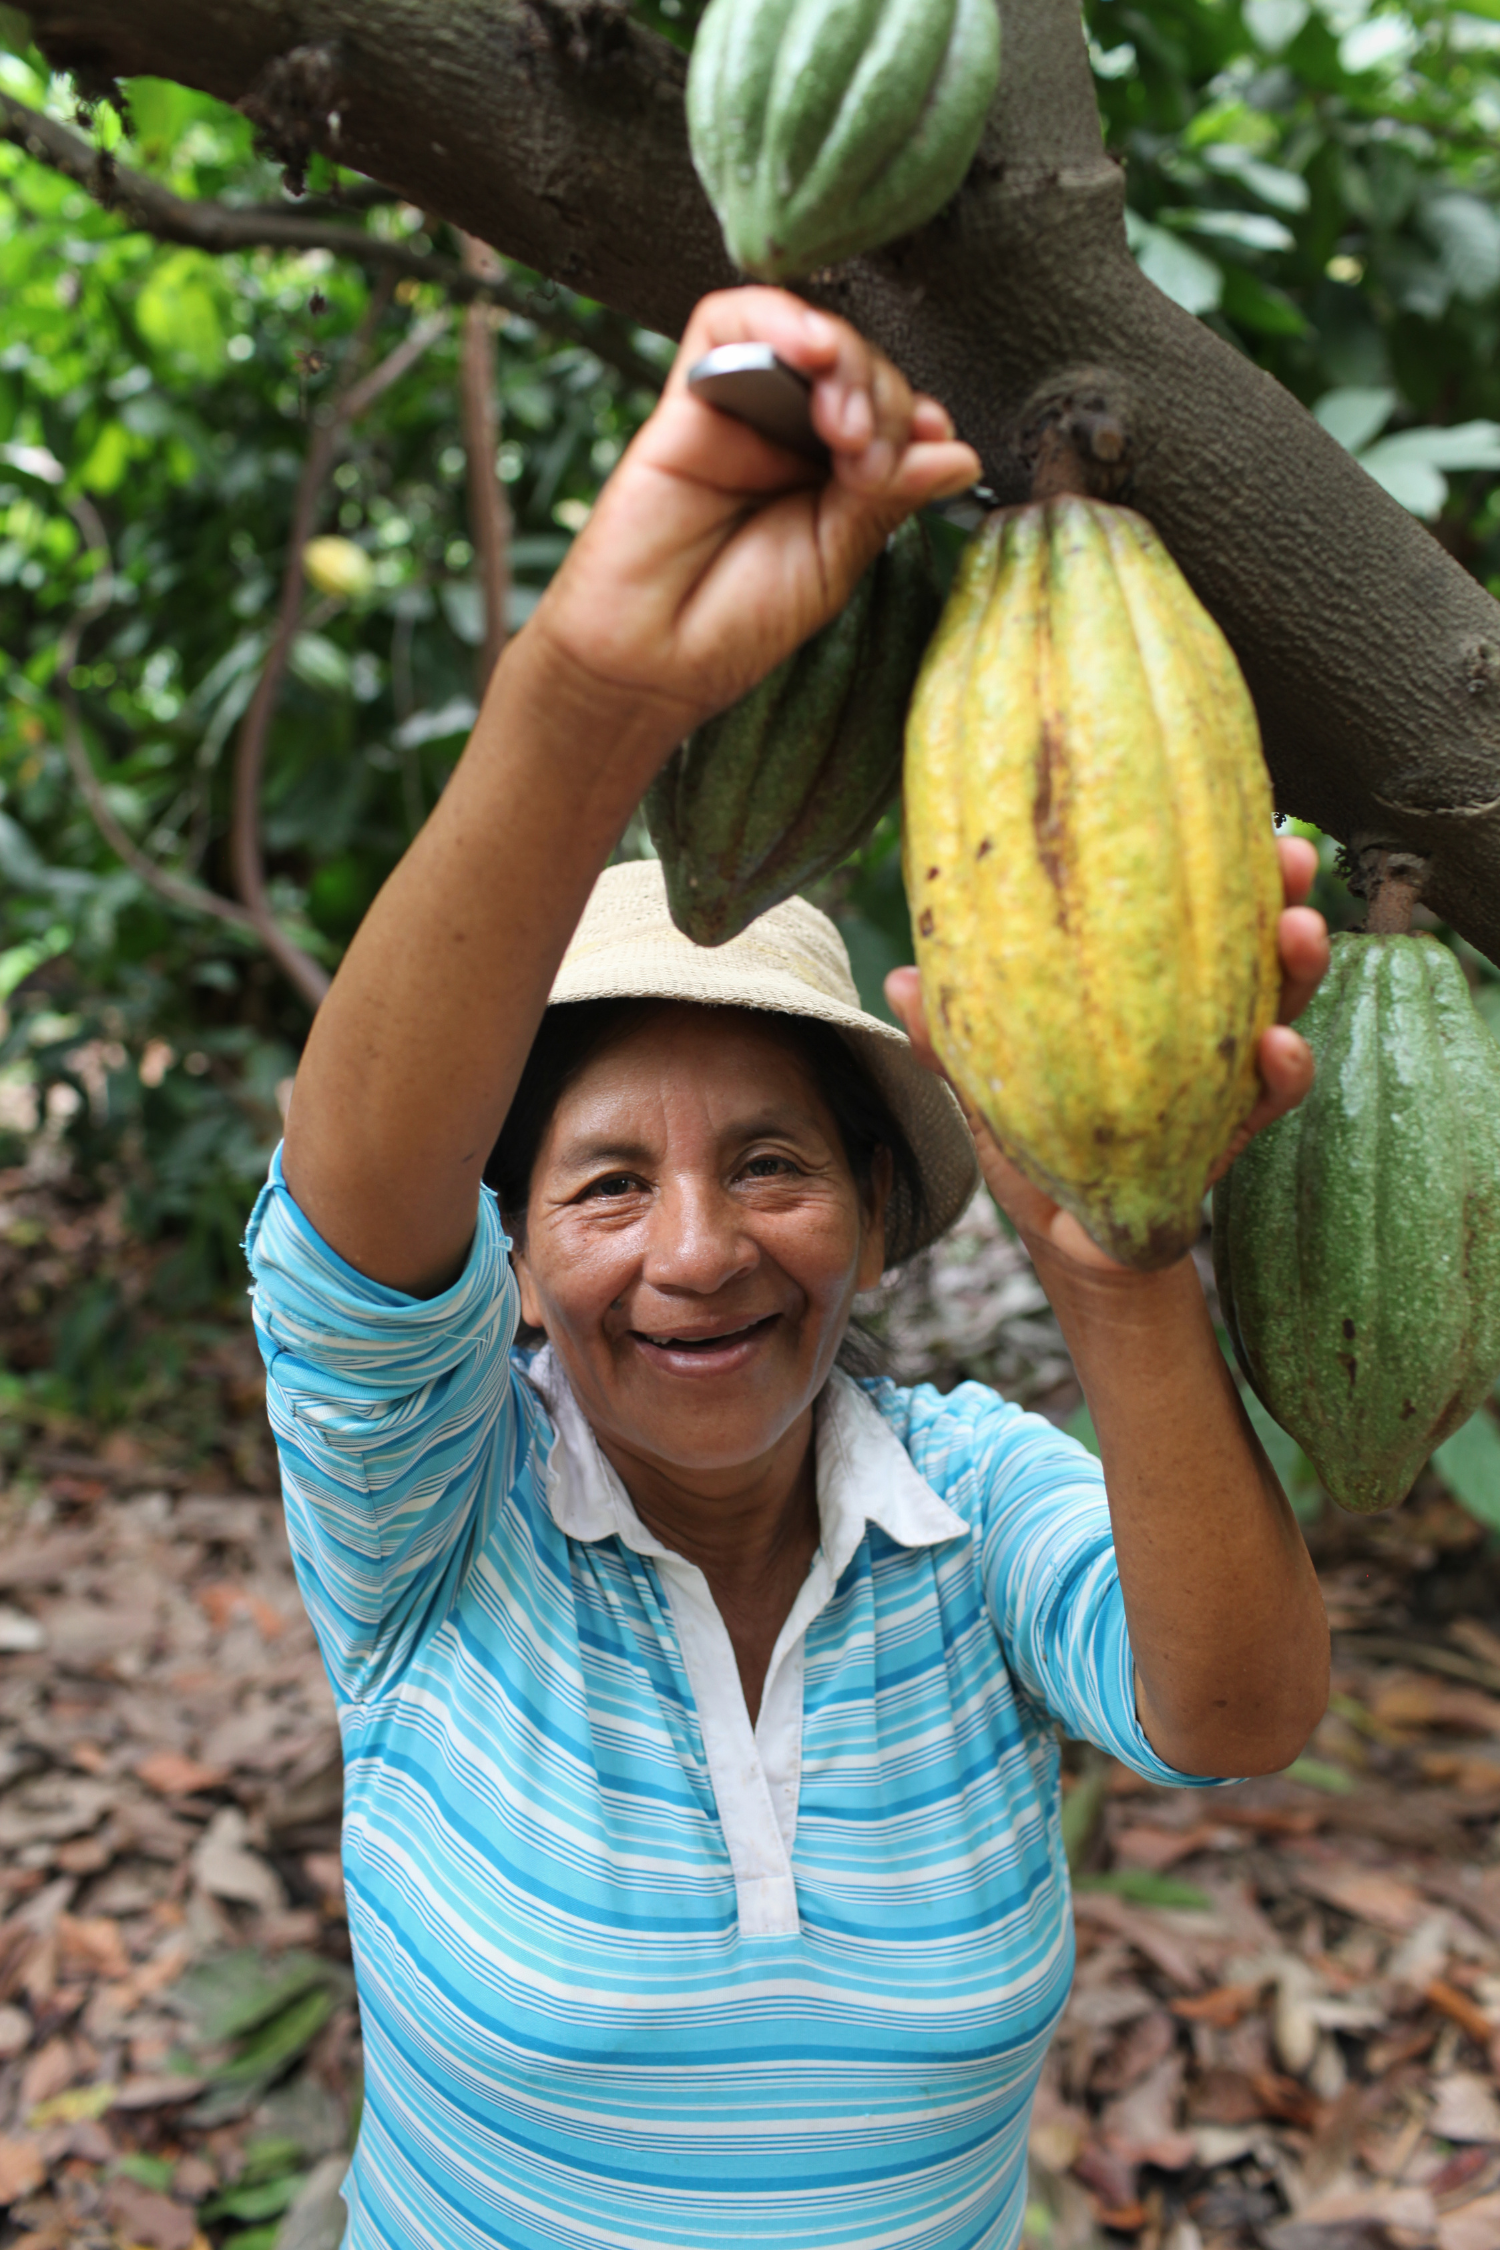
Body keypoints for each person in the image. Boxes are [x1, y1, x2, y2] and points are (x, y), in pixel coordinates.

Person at [247, 286, 1331, 2250]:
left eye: (769, 1164)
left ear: (872, 1205)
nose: (693, 1254)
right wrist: (590, 688)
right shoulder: (435, 1520)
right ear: (505, 1246)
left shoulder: (971, 1507)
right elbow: (342, 1212)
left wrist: (1127, 1262)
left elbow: (1236, 1710)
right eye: (600, 1186)